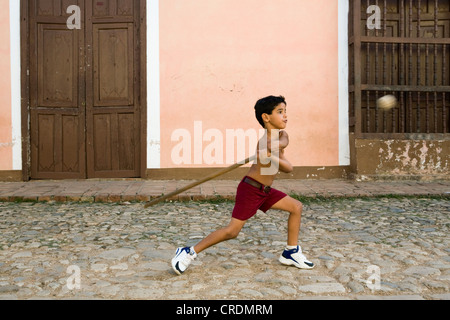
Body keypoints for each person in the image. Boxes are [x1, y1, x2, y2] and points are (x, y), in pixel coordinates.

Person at [171, 95, 314, 275]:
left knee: (296, 207)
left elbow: (287, 161)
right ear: (266, 117)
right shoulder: (266, 143)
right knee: (232, 231)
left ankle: (291, 252)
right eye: (280, 112)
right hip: (251, 189)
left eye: (285, 111)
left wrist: (270, 155)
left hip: (266, 191)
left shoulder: (279, 138)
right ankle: (188, 252)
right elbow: (287, 166)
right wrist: (269, 154)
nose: (285, 116)